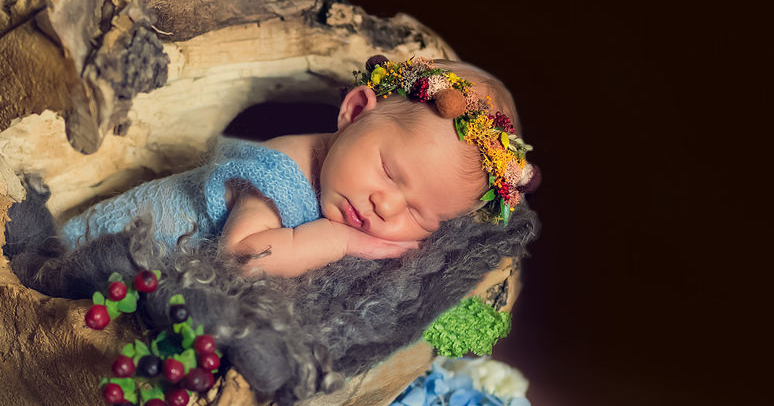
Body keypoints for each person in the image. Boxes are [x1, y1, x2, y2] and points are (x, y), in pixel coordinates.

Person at [57, 55, 537, 278]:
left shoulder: (339, 185)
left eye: (420, 216)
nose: (387, 206)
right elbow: (241, 256)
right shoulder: (284, 167)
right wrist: (346, 241)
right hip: (88, 253)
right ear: (353, 111)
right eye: (389, 172)